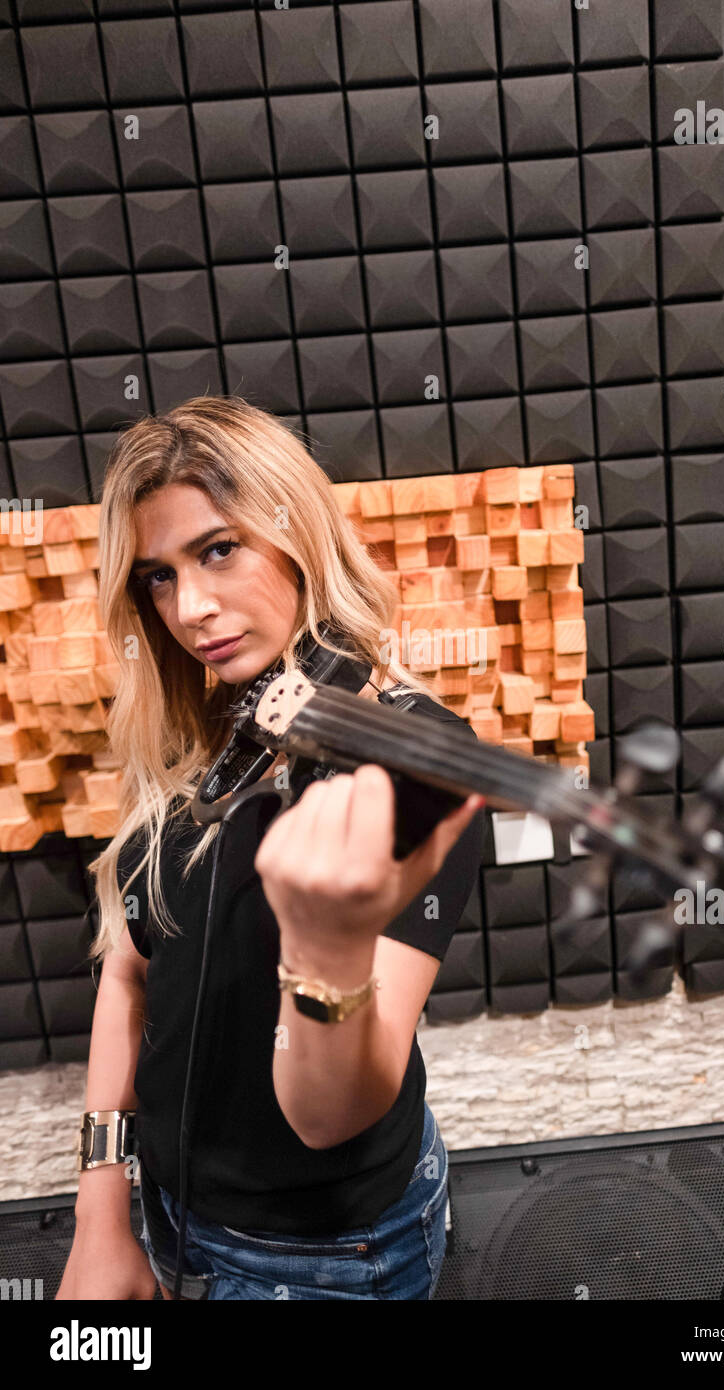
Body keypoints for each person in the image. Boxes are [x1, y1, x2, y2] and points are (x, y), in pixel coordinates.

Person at [56, 395, 486, 1301]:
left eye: (218, 549)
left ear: (300, 536)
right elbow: (130, 975)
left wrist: (326, 953)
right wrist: (103, 1212)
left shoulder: (417, 764)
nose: (191, 608)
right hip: (165, 1213)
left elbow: (332, 1117)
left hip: (323, 1260)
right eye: (158, 577)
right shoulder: (192, 730)